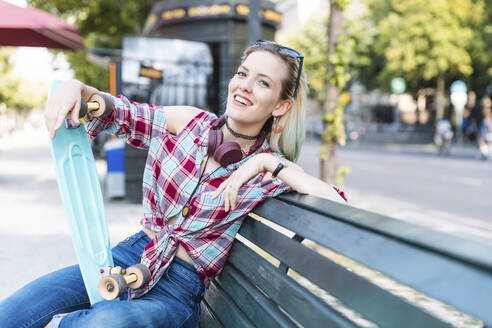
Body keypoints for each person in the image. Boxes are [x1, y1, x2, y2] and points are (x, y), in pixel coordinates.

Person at [0, 40, 347, 328]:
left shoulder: (269, 171)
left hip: (176, 289)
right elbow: (118, 112)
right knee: (15, 311)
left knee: (103, 324)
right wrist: (75, 89)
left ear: (281, 106)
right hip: (127, 255)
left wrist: (264, 161)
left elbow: (339, 203)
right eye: (243, 74)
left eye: (263, 82)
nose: (244, 85)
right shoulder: (191, 122)